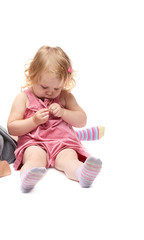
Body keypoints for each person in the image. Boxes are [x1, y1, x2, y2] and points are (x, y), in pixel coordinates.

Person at [7, 46, 102, 193]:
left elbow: (82, 120)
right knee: (34, 158)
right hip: (35, 142)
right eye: (44, 86)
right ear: (32, 75)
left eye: (56, 88)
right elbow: (12, 127)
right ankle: (27, 177)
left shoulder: (64, 97)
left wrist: (64, 112)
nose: (50, 92)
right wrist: (34, 121)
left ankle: (82, 174)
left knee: (69, 159)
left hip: (62, 143)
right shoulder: (23, 98)